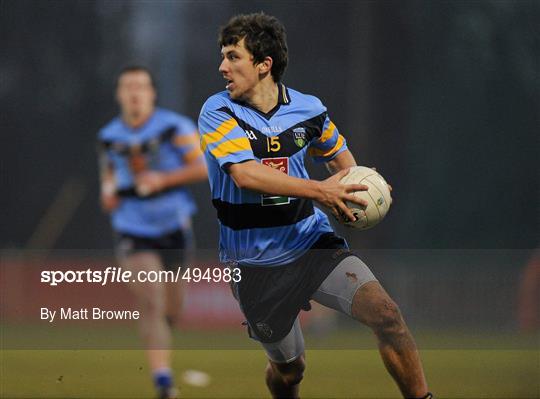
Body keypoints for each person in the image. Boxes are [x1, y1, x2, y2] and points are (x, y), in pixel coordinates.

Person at [198, 13, 432, 399]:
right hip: (255, 266)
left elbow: (341, 160)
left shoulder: (309, 110)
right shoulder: (218, 111)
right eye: (223, 56)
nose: (222, 67)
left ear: (263, 64)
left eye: (232, 57)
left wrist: (364, 187)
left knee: (387, 315)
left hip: (311, 244)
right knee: (290, 371)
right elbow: (246, 175)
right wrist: (321, 191)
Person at [98, 65, 207, 399]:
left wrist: (161, 180)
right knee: (151, 301)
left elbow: (203, 168)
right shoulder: (109, 136)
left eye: (141, 86)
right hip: (133, 230)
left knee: (172, 309)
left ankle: (163, 347)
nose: (134, 92)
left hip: (174, 226)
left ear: (151, 93)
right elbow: (108, 178)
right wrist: (109, 193)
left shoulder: (175, 126)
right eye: (127, 86)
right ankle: (162, 380)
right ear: (119, 94)